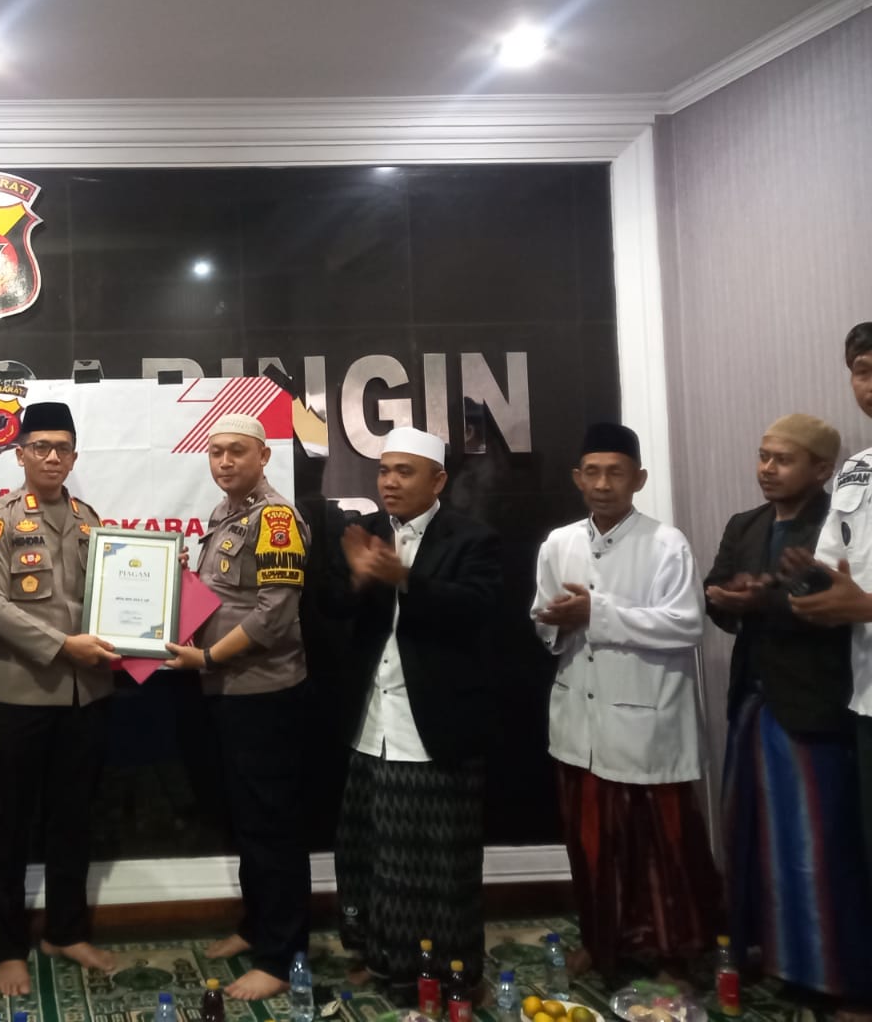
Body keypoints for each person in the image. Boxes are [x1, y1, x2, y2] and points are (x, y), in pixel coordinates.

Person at [533, 422, 721, 980]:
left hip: (647, 726)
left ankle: (671, 954)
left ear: (638, 479)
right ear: (577, 478)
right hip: (581, 722)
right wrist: (558, 621)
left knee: (660, 847)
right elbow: (542, 618)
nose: (602, 484)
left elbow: (686, 624)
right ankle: (601, 943)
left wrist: (597, 613)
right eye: (592, 472)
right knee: (592, 846)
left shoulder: (666, 543)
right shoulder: (559, 543)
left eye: (615, 473)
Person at [325, 427, 501, 1000]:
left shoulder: (472, 539)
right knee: (372, 855)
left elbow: (476, 610)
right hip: (371, 723)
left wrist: (405, 578)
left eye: (404, 471)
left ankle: (450, 976)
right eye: (384, 470)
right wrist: (359, 579)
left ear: (438, 480)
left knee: (437, 866)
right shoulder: (369, 533)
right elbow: (330, 608)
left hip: (434, 727)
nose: (390, 482)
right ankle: (382, 960)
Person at [707, 413, 872, 1012]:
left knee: (816, 848)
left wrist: (762, 600)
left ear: (822, 469)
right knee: (750, 836)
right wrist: (727, 600)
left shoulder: (837, 522)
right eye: (763, 456)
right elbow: (716, 593)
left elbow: (829, 607)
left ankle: (827, 973)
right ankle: (765, 955)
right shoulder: (744, 524)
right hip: (753, 704)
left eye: (782, 459)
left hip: (811, 705)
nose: (767, 469)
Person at [0, 401, 118, 996]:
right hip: (19, 696)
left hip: (88, 695)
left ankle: (65, 931)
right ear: (20, 453)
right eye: (41, 447)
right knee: (8, 824)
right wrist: (62, 646)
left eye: (63, 449)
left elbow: (114, 590)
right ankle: (7, 947)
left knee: (74, 819)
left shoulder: (89, 519)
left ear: (74, 458)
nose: (52, 457)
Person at [164, 413, 311, 1000]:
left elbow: (274, 614)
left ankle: (283, 956)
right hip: (226, 692)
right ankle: (257, 927)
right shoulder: (225, 514)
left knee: (273, 827)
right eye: (216, 451)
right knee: (248, 820)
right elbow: (223, 596)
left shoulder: (275, 518)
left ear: (264, 456)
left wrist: (207, 657)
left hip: (264, 693)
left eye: (237, 451)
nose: (224, 462)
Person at [785, 321, 872, 910]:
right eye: (862, 371)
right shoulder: (856, 469)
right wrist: (799, 585)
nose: (870, 383)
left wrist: (866, 605)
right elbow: (832, 564)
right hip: (866, 697)